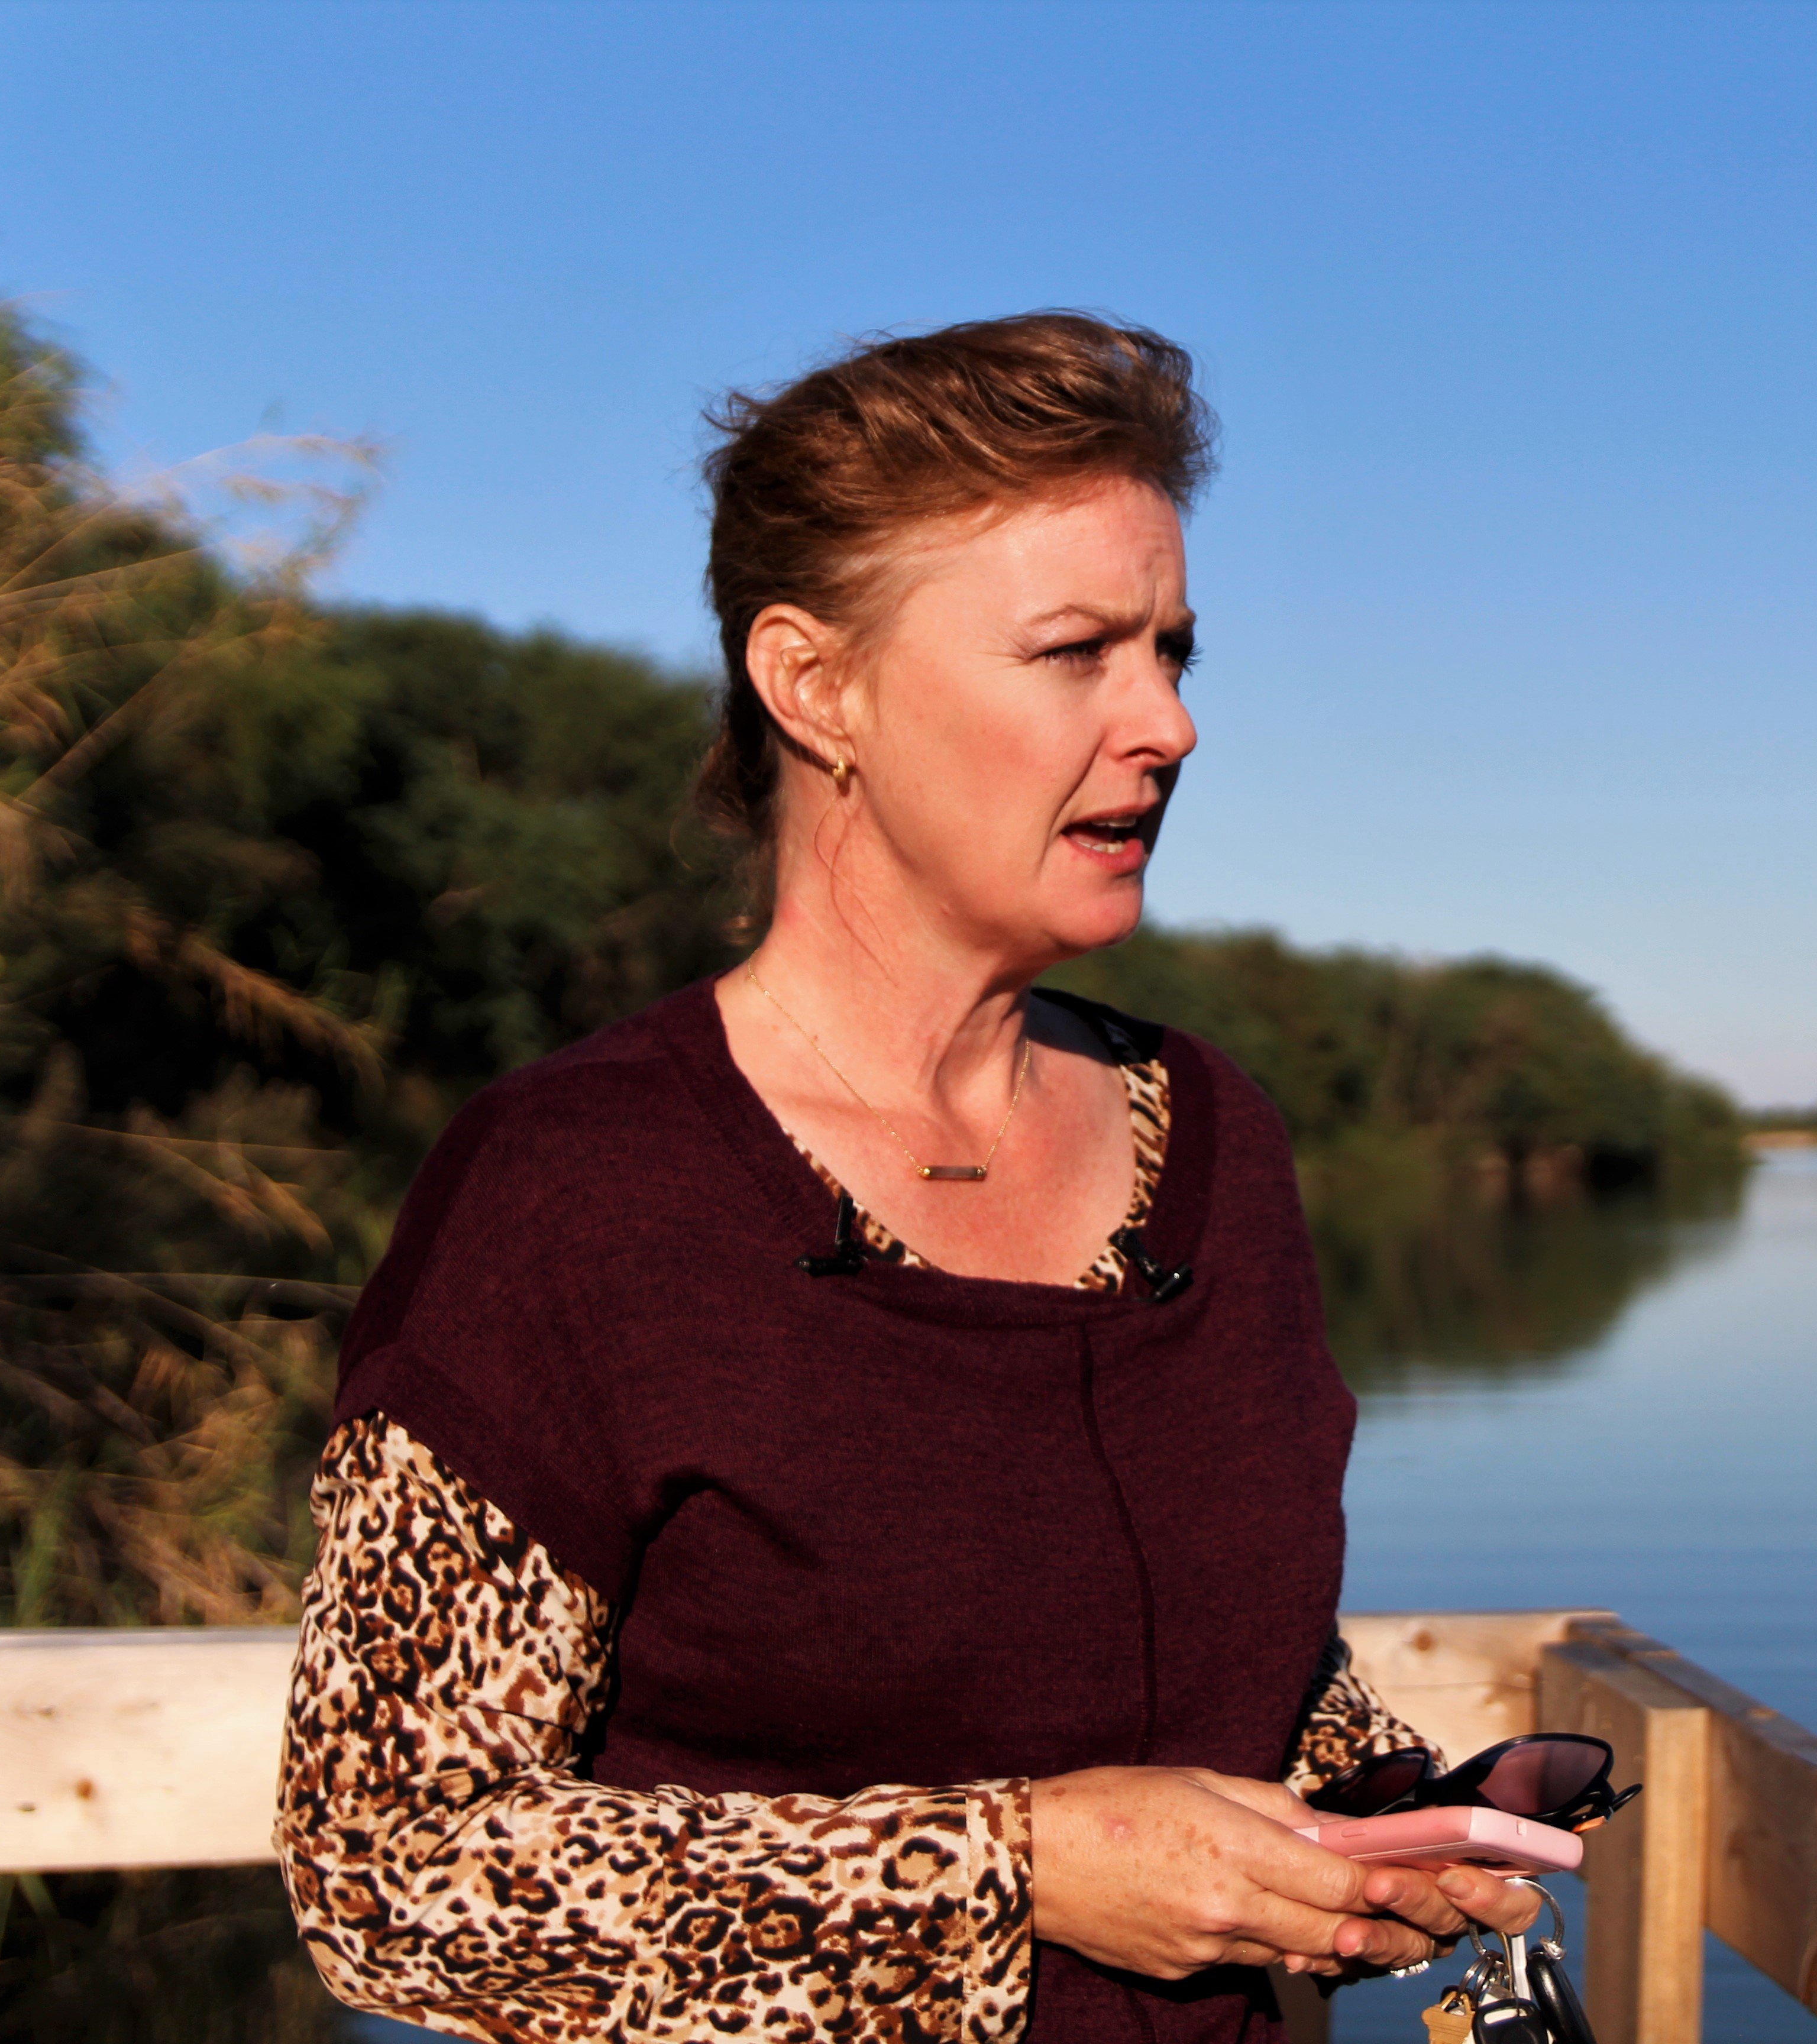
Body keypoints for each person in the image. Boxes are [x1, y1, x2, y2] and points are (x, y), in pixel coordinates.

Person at [274, 313, 1541, 2044]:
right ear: (818, 687)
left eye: (1173, 648)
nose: (1166, 723)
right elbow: (390, 1881)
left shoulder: (1219, 1138)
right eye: (1074, 651)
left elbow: (1211, 1639)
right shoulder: (575, 1190)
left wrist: (1377, 1805)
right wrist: (1014, 1868)